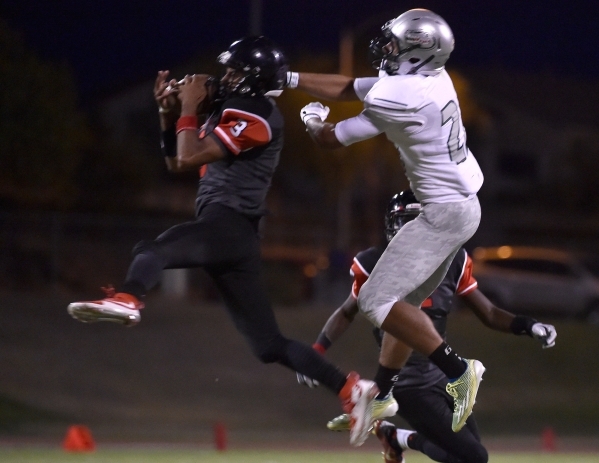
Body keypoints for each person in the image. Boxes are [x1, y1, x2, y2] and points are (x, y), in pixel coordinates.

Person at [66, 36, 380, 447]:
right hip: (234, 235)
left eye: (234, 72)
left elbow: (190, 156)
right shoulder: (237, 109)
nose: (225, 77)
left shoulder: (260, 115)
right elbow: (176, 160)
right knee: (269, 345)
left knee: (151, 249)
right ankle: (349, 388)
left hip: (229, 226)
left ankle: (127, 298)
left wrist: (191, 108)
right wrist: (168, 114)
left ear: (253, 80)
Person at [287, 8, 487, 432]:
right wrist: (287, 80)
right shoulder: (433, 78)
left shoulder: (399, 96)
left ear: (418, 51)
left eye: (395, 44)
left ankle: (458, 371)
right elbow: (347, 86)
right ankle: (382, 395)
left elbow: (330, 138)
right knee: (405, 304)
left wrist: (311, 118)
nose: (386, 49)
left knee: (375, 301)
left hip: (444, 212)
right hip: (461, 206)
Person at [298, 190, 557, 463]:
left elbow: (489, 313)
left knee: (463, 457)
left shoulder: (452, 259)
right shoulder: (374, 263)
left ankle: (396, 437)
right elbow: (345, 312)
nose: (411, 230)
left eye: (417, 221)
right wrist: (316, 352)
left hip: (445, 376)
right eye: (406, 221)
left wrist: (529, 325)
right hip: (407, 383)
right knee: (475, 457)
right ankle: (398, 437)